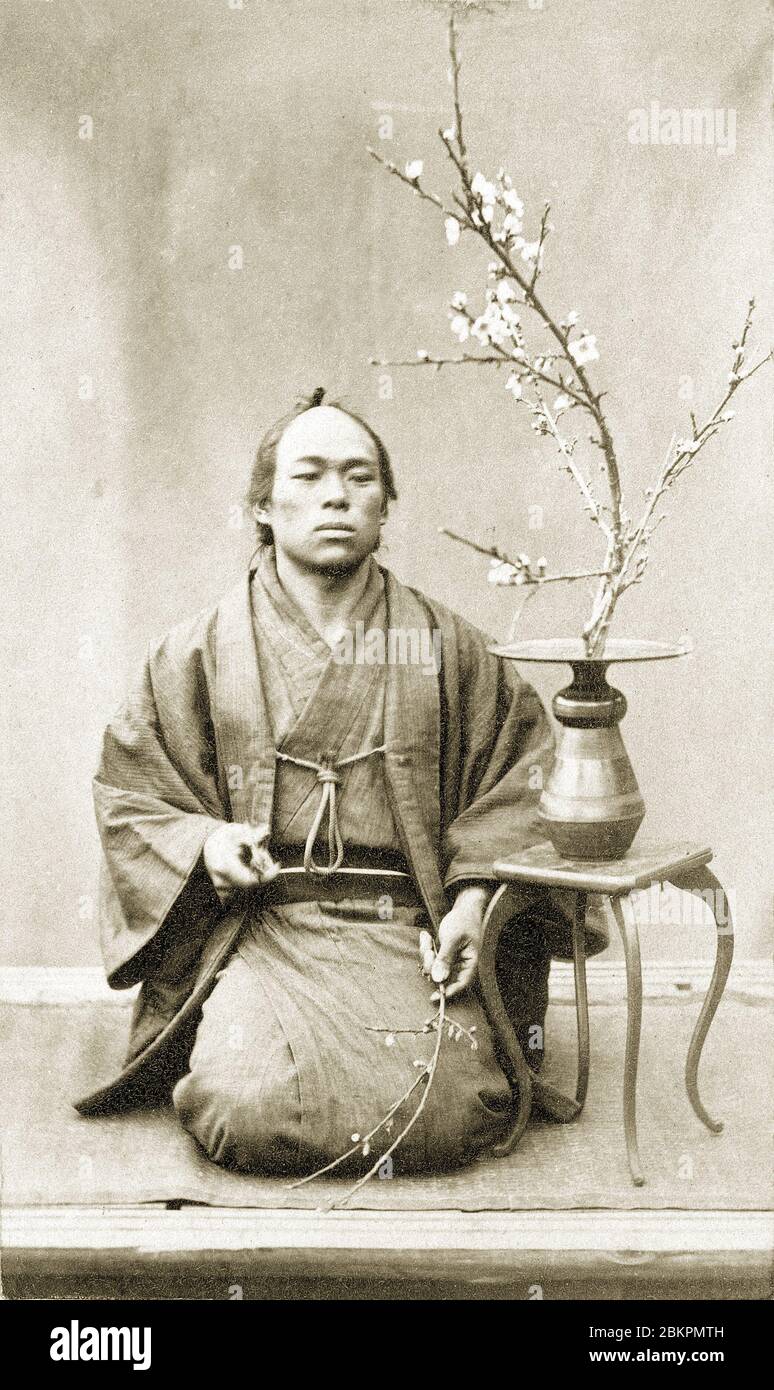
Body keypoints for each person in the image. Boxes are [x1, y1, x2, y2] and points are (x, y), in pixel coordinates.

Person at [75, 388, 607, 1176]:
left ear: (386, 506)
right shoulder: (197, 652)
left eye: (360, 478)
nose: (336, 496)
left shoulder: (449, 649)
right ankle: (231, 1036)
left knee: (457, 1107)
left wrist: (470, 904)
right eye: (310, 475)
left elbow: (523, 786)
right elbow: (131, 794)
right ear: (262, 505)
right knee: (245, 1106)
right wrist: (208, 844)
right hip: (261, 936)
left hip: (411, 933)